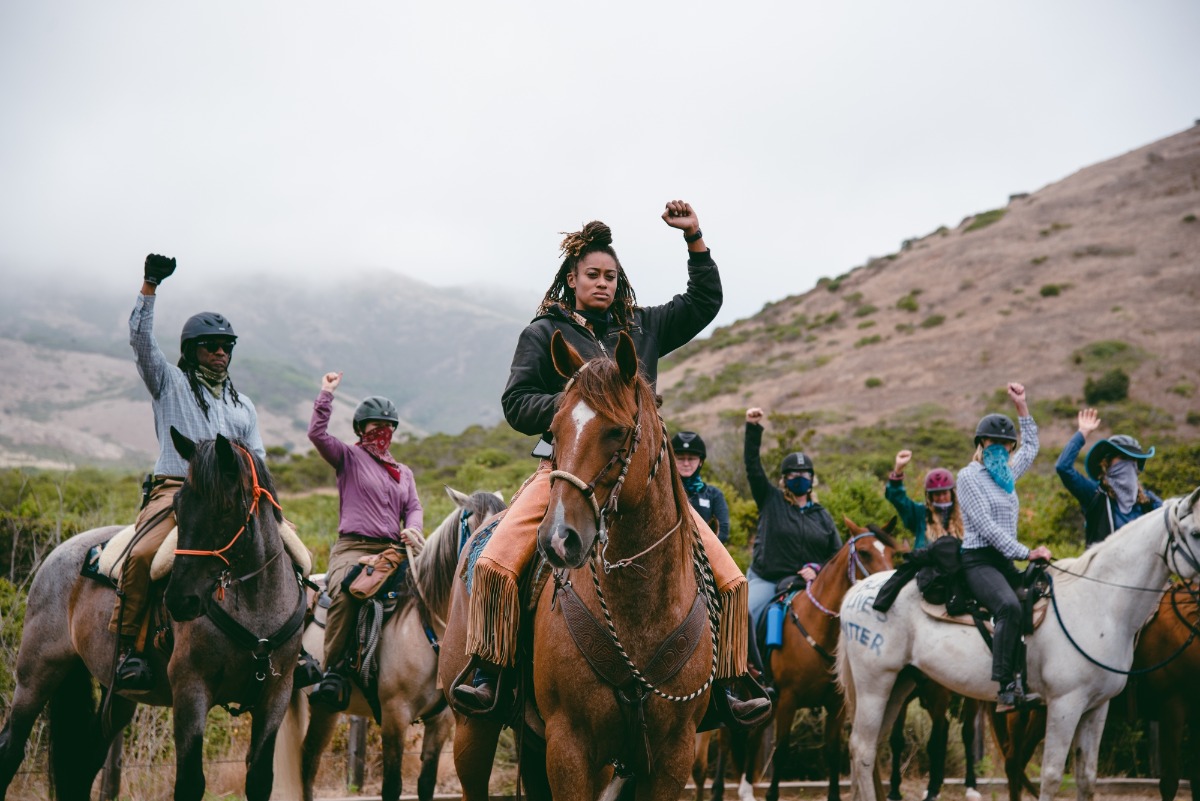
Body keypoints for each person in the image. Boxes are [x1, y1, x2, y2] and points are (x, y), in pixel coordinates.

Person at [453, 201, 765, 724]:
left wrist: (694, 239)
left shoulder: (643, 327)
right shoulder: (543, 333)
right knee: (494, 561)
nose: (603, 283)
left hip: (647, 479)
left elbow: (704, 301)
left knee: (730, 578)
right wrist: (578, 411)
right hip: (567, 473)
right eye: (593, 275)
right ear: (572, 279)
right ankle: (489, 670)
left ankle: (731, 681)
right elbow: (515, 403)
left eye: (610, 276)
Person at [112, 253, 265, 690]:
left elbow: (257, 458)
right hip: (177, 489)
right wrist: (149, 286)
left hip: (233, 497)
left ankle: (286, 648)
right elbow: (141, 341)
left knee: (291, 556)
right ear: (191, 350)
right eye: (210, 345)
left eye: (226, 346)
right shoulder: (169, 383)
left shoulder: (243, 406)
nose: (220, 353)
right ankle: (128, 649)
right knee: (144, 556)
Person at [307, 372, 424, 709]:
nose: (382, 431)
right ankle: (333, 672)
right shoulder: (347, 457)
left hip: (394, 550)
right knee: (348, 591)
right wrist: (326, 393)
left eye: (388, 426)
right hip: (353, 548)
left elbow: (413, 507)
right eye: (375, 425)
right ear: (361, 428)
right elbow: (317, 434)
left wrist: (413, 529)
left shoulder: (404, 472)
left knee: (429, 591)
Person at [957, 383, 1052, 711]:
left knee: (1043, 595)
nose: (999, 447)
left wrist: (1021, 405)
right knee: (1009, 607)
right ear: (981, 444)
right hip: (978, 561)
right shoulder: (968, 477)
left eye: (1005, 443)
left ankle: (1031, 675)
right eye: (993, 442)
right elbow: (986, 526)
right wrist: (1027, 552)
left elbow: (1032, 447)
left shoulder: (1007, 475)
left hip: (1003, 562)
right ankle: (1005, 688)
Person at [743, 407, 842, 628]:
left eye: (804, 474)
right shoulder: (770, 499)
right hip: (768, 580)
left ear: (812, 479)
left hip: (808, 584)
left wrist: (817, 569)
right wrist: (752, 428)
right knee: (744, 615)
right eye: (793, 474)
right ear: (784, 479)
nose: (799, 478)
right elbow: (752, 466)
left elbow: (836, 556)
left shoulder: (822, 516)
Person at [1056, 408, 1161, 547]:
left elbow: (1171, 518)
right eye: (1123, 458)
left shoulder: (1148, 502)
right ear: (1108, 462)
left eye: (1133, 460)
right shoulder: (1095, 495)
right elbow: (1063, 467)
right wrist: (1082, 433)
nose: (1129, 465)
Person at [886, 450, 963, 550]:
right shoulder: (920, 514)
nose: (941, 498)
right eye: (937, 494)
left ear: (952, 493)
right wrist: (898, 470)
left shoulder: (964, 514)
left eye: (945, 493)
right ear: (930, 496)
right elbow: (899, 500)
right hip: (928, 559)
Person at [673, 431, 731, 544]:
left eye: (691, 459)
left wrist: (699, 551)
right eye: (680, 458)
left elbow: (723, 531)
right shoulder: (664, 493)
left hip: (705, 552)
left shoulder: (714, 495)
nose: (686, 463)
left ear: (700, 461)